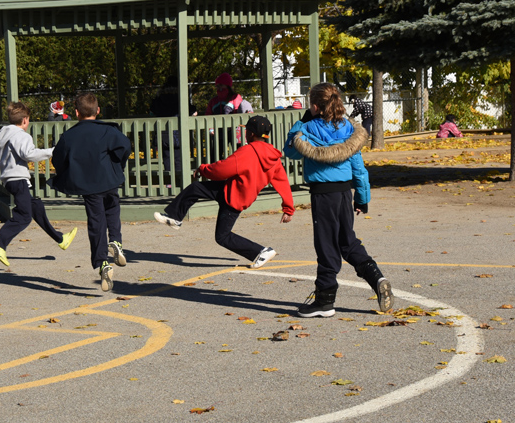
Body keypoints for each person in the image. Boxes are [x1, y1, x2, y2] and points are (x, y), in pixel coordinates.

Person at [286, 83, 393, 317]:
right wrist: (362, 197)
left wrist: (301, 122)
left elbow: (290, 149)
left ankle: (325, 301)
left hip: (323, 194)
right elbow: (358, 167)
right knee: (348, 242)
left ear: (314, 106)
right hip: (345, 193)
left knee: (326, 245)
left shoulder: (307, 128)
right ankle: (377, 278)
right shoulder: (348, 128)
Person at [154, 115, 294, 269]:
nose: (245, 133)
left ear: (252, 134)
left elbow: (222, 170)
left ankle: (261, 251)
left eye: (246, 130)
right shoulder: (273, 156)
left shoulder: (247, 152)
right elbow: (282, 182)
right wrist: (288, 208)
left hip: (234, 199)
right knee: (196, 188)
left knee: (222, 237)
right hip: (231, 189)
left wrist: (203, 169)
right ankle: (175, 217)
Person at [51, 93, 132, 292]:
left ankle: (102, 262)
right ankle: (116, 241)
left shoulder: (69, 136)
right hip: (109, 179)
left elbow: (58, 158)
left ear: (76, 113)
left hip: (89, 185)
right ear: (97, 110)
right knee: (113, 210)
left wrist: (68, 172)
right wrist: (117, 164)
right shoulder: (107, 131)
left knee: (96, 221)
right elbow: (125, 146)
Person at [0, 101, 78, 268]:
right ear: (25, 120)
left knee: (35, 206)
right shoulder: (21, 135)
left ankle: (60, 238)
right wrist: (53, 151)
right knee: (23, 217)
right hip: (18, 179)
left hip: (9, 179)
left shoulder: (4, 133)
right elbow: (28, 154)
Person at [149, 76, 196, 178]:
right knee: (178, 157)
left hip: (163, 133)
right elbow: (193, 112)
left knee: (167, 157)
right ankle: (179, 179)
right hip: (178, 133)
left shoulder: (160, 98)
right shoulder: (180, 97)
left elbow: (152, 112)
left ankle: (169, 181)